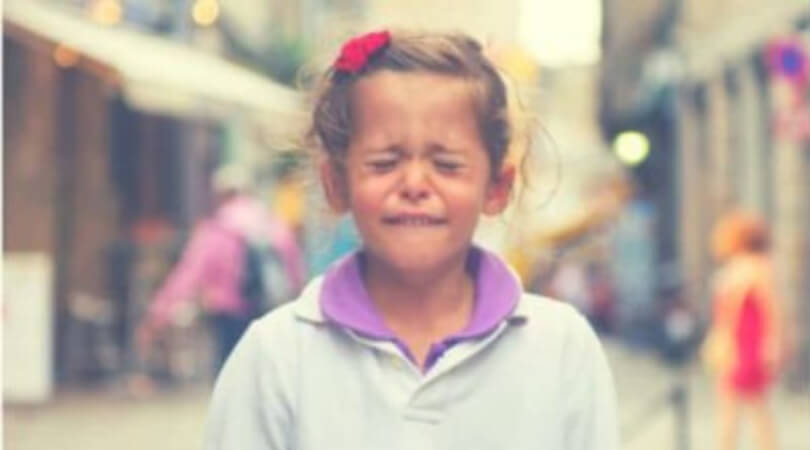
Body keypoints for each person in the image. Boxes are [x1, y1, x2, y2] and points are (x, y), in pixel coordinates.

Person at [203, 30, 619, 450]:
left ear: (496, 187)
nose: (415, 184)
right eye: (384, 163)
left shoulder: (561, 346)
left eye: (447, 164)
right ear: (336, 184)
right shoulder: (275, 357)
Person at [135, 165, 305, 377]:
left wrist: (158, 314)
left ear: (221, 195)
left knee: (230, 372)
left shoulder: (216, 229)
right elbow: (294, 267)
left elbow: (188, 275)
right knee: (263, 373)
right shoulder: (272, 224)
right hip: (267, 309)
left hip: (229, 314)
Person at [703, 211, 790, 450]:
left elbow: (773, 308)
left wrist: (772, 343)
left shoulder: (758, 267)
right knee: (739, 408)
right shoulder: (742, 266)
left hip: (747, 344)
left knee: (751, 407)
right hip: (736, 343)